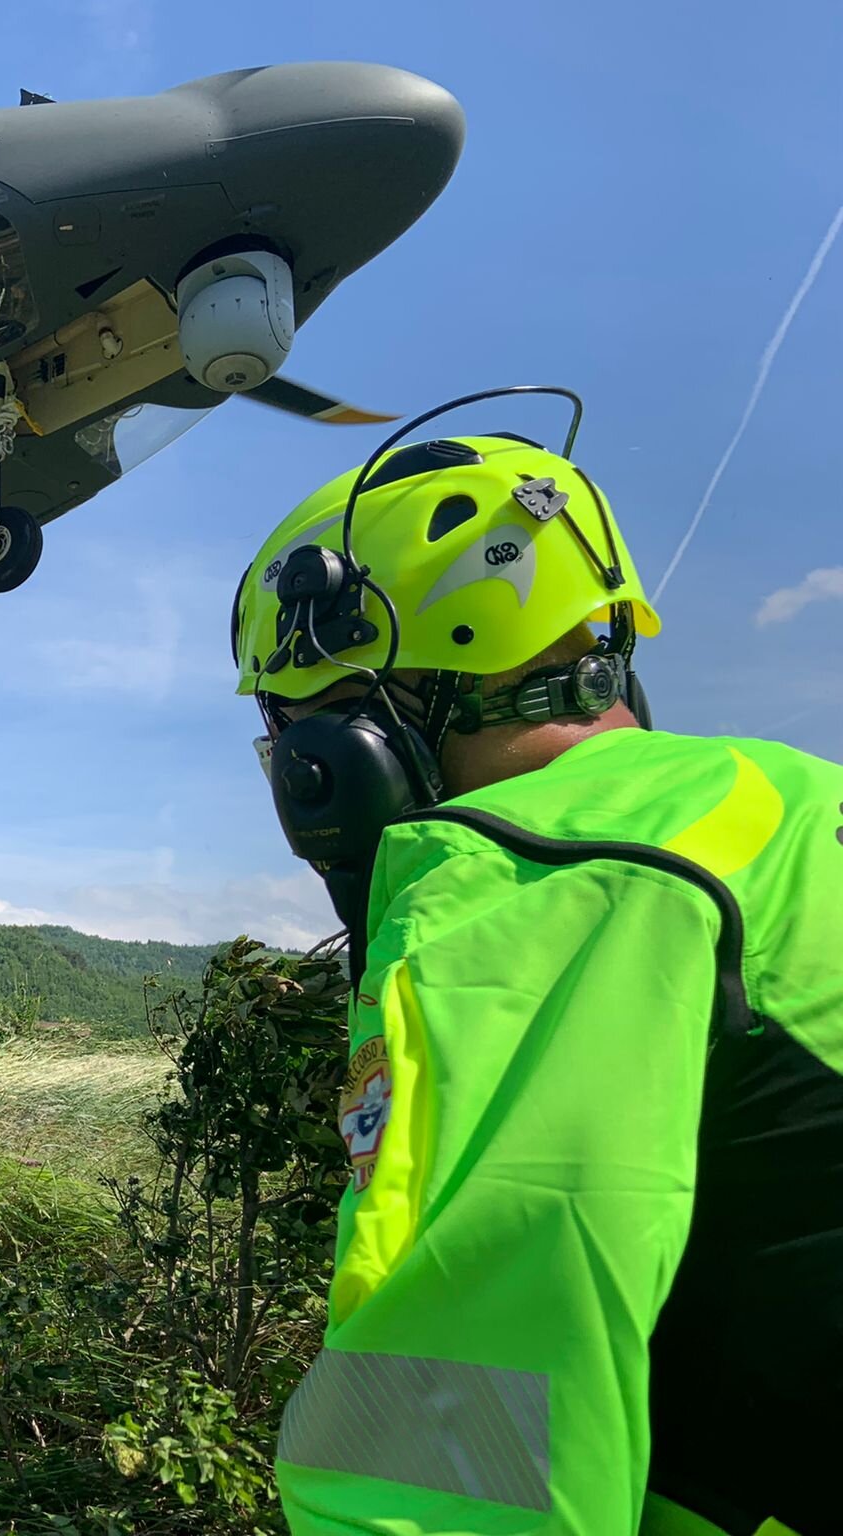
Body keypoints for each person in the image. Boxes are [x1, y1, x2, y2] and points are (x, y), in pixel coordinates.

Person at [230, 388, 842, 1536]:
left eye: (286, 735)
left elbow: (454, 1454)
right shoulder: (790, 802)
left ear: (341, 750)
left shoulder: (537, 881)